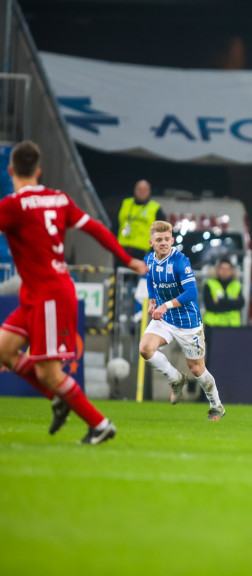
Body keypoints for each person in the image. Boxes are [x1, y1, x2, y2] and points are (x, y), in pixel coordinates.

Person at [0, 140, 148, 444]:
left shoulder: (12, 206)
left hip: (49, 295)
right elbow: (96, 228)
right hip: (38, 292)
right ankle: (60, 397)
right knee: (4, 349)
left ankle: (100, 424)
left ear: (10, 171)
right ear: (38, 171)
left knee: (49, 373)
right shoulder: (58, 199)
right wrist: (127, 259)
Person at [139, 221, 225, 421]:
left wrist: (165, 305)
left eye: (166, 239)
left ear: (172, 240)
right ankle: (176, 378)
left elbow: (192, 292)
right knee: (145, 349)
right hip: (165, 319)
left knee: (196, 369)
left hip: (188, 322)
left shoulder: (180, 261)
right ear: (151, 243)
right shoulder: (149, 259)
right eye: (159, 240)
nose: (163, 243)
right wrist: (152, 301)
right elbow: (150, 279)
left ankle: (216, 406)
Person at [117, 179, 165, 260]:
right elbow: (115, 226)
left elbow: (163, 233)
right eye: (139, 189)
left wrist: (153, 251)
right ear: (134, 190)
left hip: (144, 253)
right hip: (122, 251)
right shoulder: (125, 203)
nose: (142, 192)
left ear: (149, 191)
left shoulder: (155, 208)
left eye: (145, 190)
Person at [202, 258, 244, 327]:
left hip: (232, 326)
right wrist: (232, 303)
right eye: (222, 269)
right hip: (213, 325)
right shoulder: (210, 284)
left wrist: (219, 301)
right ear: (217, 270)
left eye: (227, 269)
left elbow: (240, 304)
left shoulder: (236, 285)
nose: (225, 272)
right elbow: (209, 306)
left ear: (232, 271)